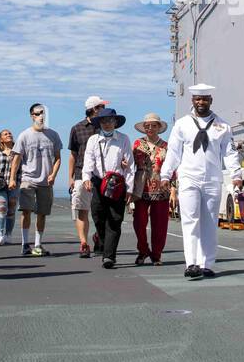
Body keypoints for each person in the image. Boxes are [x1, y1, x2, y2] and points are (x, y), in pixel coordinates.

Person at [159, 85, 243, 280]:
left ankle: (207, 264)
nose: (201, 102)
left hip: (213, 179)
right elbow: (173, 152)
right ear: (192, 101)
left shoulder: (222, 126)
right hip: (189, 177)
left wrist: (236, 174)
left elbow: (229, 153)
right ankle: (192, 263)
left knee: (210, 222)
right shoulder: (182, 124)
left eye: (204, 99)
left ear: (211, 100)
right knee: (190, 221)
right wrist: (166, 174)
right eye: (197, 99)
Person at [82, 108, 134, 269]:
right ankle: (101, 240)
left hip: (117, 184)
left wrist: (130, 188)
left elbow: (130, 165)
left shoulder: (124, 139)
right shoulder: (93, 140)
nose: (108, 124)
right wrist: (86, 178)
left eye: (111, 120)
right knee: (98, 216)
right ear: (100, 123)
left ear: (116, 122)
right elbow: (88, 161)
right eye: (104, 121)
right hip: (98, 182)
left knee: (115, 219)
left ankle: (109, 256)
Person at [11, 103, 61, 258]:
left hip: (46, 181)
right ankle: (25, 244)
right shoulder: (24, 135)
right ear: (32, 115)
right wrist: (13, 178)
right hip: (28, 178)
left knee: (42, 213)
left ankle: (38, 244)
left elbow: (58, 158)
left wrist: (53, 174)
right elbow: (17, 158)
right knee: (26, 210)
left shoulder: (53, 135)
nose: (41, 116)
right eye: (38, 113)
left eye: (43, 113)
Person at [131, 113, 176, 266]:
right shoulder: (137, 144)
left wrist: (174, 191)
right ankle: (143, 250)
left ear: (159, 127)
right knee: (139, 222)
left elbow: (173, 169)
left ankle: (156, 254)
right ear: (144, 128)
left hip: (161, 189)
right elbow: (131, 166)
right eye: (147, 126)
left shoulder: (166, 146)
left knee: (160, 225)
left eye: (154, 125)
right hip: (140, 188)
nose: (150, 128)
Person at [67, 96, 106, 256]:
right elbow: (73, 155)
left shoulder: (106, 127)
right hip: (80, 174)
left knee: (101, 211)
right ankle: (84, 243)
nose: (104, 109)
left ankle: (98, 236)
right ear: (94, 109)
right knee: (82, 210)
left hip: (102, 176)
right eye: (101, 106)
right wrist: (70, 177)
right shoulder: (77, 128)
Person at [0, 129, 17, 245]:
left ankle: (8, 234)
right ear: (1, 139)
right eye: (5, 134)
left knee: (11, 211)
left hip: (14, 185)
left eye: (10, 133)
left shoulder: (17, 153)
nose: (9, 135)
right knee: (1, 209)